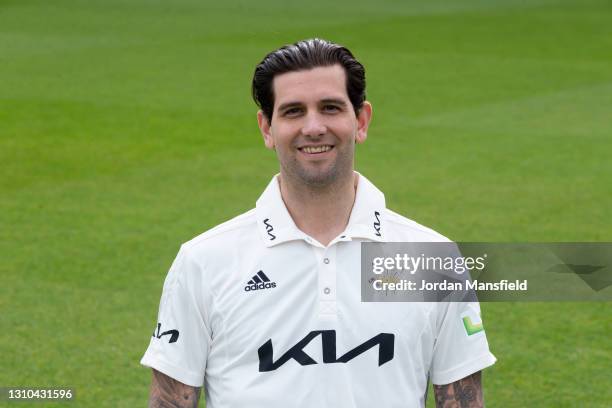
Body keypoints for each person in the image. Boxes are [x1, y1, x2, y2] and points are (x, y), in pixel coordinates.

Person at [141, 38, 496, 408]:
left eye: (330, 108)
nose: (313, 127)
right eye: (293, 111)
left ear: (360, 121)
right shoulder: (203, 261)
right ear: (267, 128)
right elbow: (170, 401)